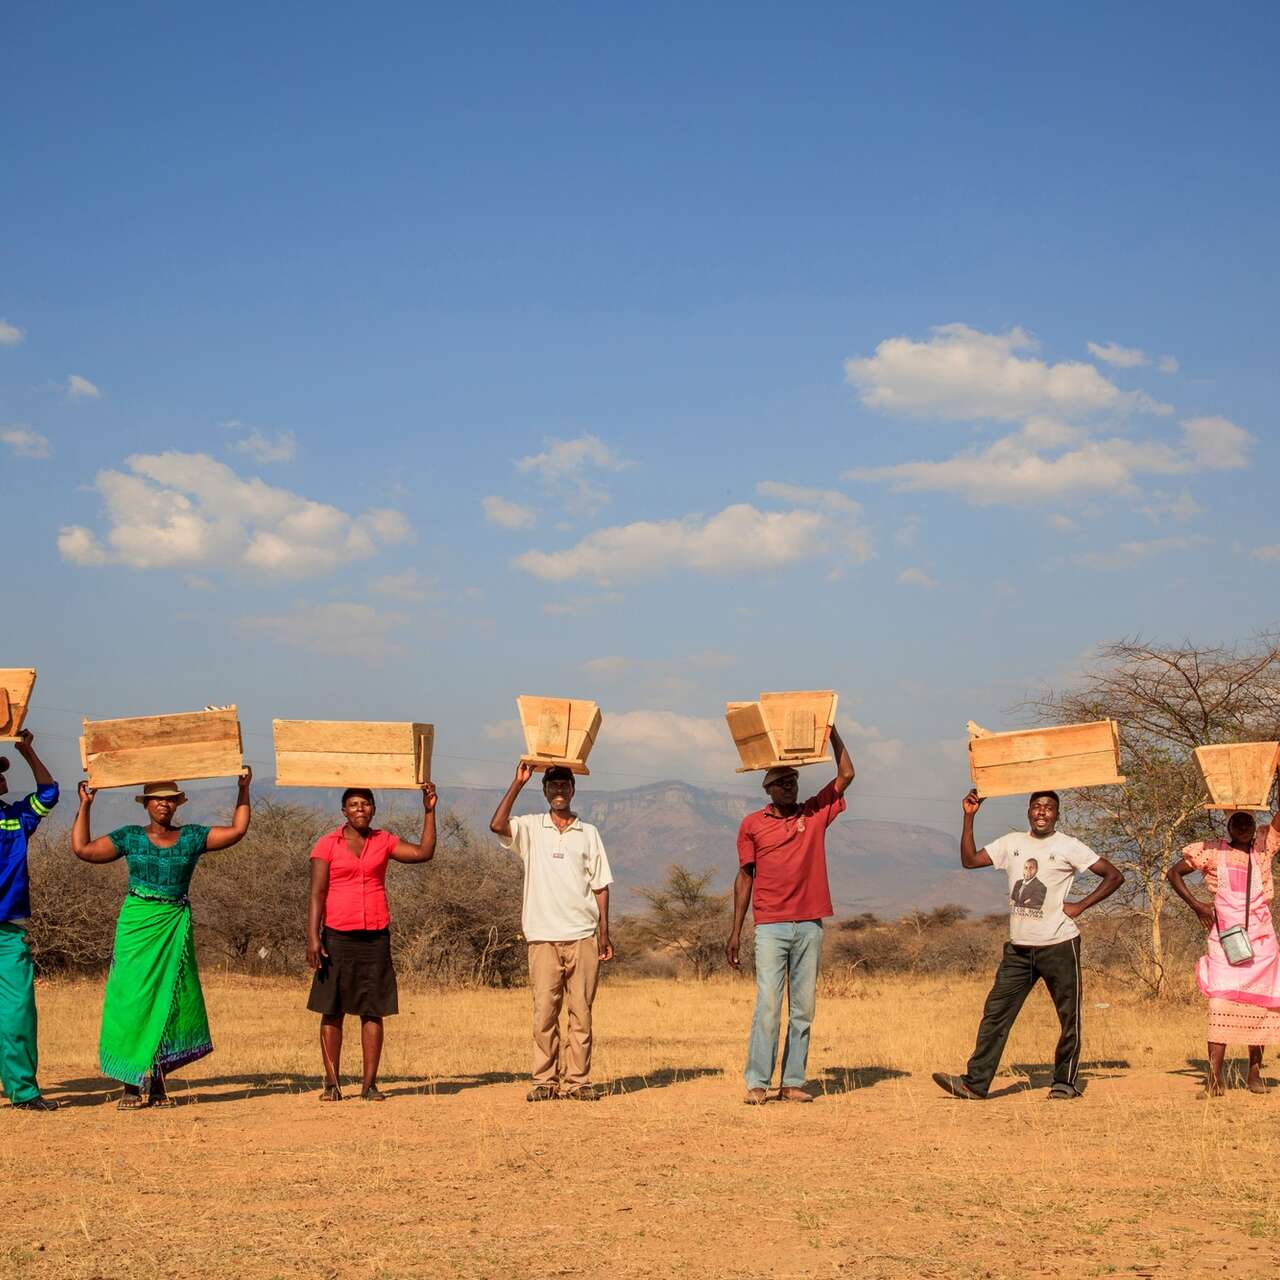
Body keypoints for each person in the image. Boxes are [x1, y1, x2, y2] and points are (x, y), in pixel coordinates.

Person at [71, 769, 253, 1109]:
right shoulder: (130, 837)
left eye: (170, 799)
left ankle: (158, 1085)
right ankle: (129, 1084)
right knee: (131, 1002)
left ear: (177, 804)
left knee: (170, 1000)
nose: (164, 805)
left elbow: (237, 831)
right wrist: (85, 805)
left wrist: (244, 788)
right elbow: (83, 848)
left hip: (173, 924)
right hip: (137, 926)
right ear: (146, 804)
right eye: (157, 799)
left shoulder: (191, 837)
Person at [933, 789, 1123, 1101]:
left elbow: (1113, 876)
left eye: (1049, 808)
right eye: (1037, 807)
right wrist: (969, 816)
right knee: (995, 1014)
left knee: (1068, 1017)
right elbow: (969, 860)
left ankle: (1065, 1083)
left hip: (1059, 944)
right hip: (1018, 949)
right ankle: (974, 1084)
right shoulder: (1012, 844)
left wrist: (1080, 906)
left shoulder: (1068, 846)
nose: (1042, 813)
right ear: (1028, 812)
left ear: (1057, 815)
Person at [725, 726, 856, 1104]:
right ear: (767, 789)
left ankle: (793, 1081)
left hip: (810, 924)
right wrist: (736, 931)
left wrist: (832, 733)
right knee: (768, 1005)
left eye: (793, 781)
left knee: (803, 1009)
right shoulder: (752, 825)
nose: (789, 787)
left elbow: (846, 775)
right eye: (781, 783)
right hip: (770, 926)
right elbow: (744, 876)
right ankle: (757, 1082)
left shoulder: (814, 814)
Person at [489, 762, 614, 1101]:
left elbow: (601, 885)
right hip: (542, 935)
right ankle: (544, 1081)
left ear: (573, 789)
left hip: (583, 934)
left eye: (564, 785)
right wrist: (517, 782)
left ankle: (578, 1082)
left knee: (581, 1013)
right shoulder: (530, 827)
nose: (559, 791)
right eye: (553, 786)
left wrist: (604, 932)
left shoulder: (588, 833)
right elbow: (497, 824)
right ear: (544, 791)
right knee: (545, 1011)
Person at [306, 783, 437, 1102]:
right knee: (332, 1010)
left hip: (375, 936)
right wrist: (313, 936)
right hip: (337, 935)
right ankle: (331, 1084)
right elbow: (317, 893)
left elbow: (423, 853)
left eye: (365, 803)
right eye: (353, 804)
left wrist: (430, 809)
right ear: (344, 811)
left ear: (374, 809)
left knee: (372, 1009)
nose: (360, 809)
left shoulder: (384, 841)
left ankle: (369, 1085)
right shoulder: (327, 845)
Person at [1166, 808, 1280, 1097]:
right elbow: (1174, 872)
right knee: (1219, 1004)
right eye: (1237, 820)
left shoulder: (1265, 846)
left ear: (1255, 825)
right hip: (1225, 939)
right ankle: (1215, 1078)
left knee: (1261, 1006)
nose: (1243, 824)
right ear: (1228, 824)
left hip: (1261, 939)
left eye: (1248, 819)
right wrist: (1198, 906)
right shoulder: (1212, 851)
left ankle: (1254, 1075)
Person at [0, 731, 60, 1112]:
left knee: (18, 1011)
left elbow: (49, 792)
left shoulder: (14, 817)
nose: (4, 778)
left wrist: (26, 749)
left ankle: (22, 1090)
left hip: (7, 932)